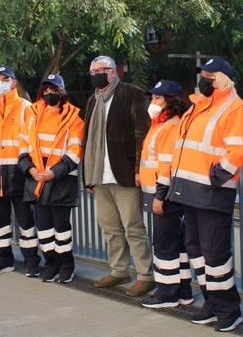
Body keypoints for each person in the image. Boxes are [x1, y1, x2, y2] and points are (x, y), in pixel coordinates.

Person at [167, 58, 243, 332]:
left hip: (212, 193)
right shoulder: (199, 105)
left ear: (223, 78)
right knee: (197, 251)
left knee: (215, 255)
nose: (203, 78)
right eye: (202, 74)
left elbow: (238, 150)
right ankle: (212, 303)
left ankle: (229, 310)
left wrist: (214, 177)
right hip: (190, 190)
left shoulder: (235, 108)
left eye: (209, 74)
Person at [82, 55, 154, 297]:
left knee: (133, 228)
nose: (97, 75)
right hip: (100, 176)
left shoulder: (131, 94)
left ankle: (145, 275)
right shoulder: (93, 99)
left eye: (101, 70)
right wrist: (87, 176)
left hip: (124, 174)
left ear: (113, 72)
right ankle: (120, 271)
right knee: (110, 228)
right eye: (93, 72)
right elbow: (88, 140)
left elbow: (142, 133)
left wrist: (138, 170)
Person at [18, 74, 84, 283]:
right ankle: (51, 264)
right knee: (44, 228)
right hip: (36, 178)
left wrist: (54, 172)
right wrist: (29, 169)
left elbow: (74, 153)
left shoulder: (74, 118)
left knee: (61, 229)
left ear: (62, 91)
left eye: (53, 89)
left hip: (60, 180)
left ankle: (66, 266)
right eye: (45, 89)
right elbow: (23, 147)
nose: (49, 93)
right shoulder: (32, 114)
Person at [0, 65, 41, 277]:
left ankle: (31, 260)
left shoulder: (26, 108)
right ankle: (3, 259)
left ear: (14, 82)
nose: (1, 82)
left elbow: (33, 142)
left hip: (20, 172)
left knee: (26, 220)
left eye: (6, 78)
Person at [138, 80, 195, 309]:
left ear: (171, 102)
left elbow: (166, 165)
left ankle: (166, 294)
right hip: (162, 192)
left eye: (158, 99)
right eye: (152, 98)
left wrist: (160, 196)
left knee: (164, 245)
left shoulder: (171, 126)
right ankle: (183, 292)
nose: (152, 102)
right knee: (176, 244)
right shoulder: (159, 124)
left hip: (165, 195)